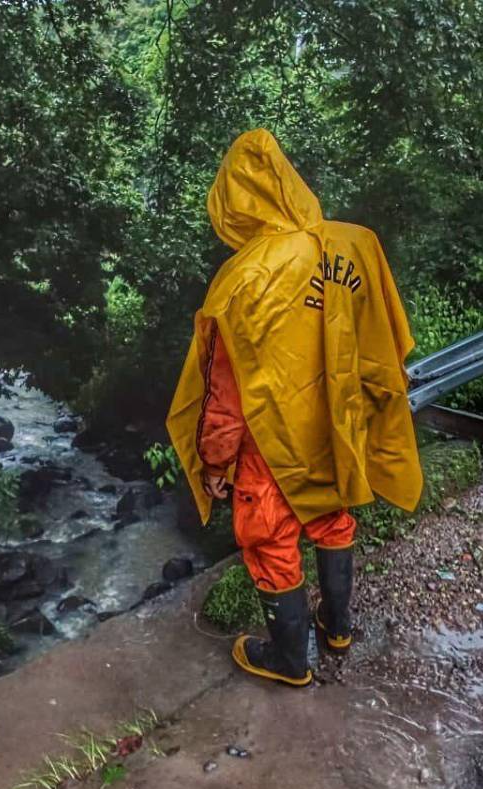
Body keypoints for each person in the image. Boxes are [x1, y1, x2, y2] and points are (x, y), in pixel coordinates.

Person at [166, 129, 423, 687]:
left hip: (271, 441)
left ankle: (289, 661)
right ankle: (337, 628)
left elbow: (224, 394)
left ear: (234, 197)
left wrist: (213, 462)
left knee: (269, 536)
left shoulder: (243, 280)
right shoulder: (355, 244)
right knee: (332, 513)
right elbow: (384, 337)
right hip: (335, 422)